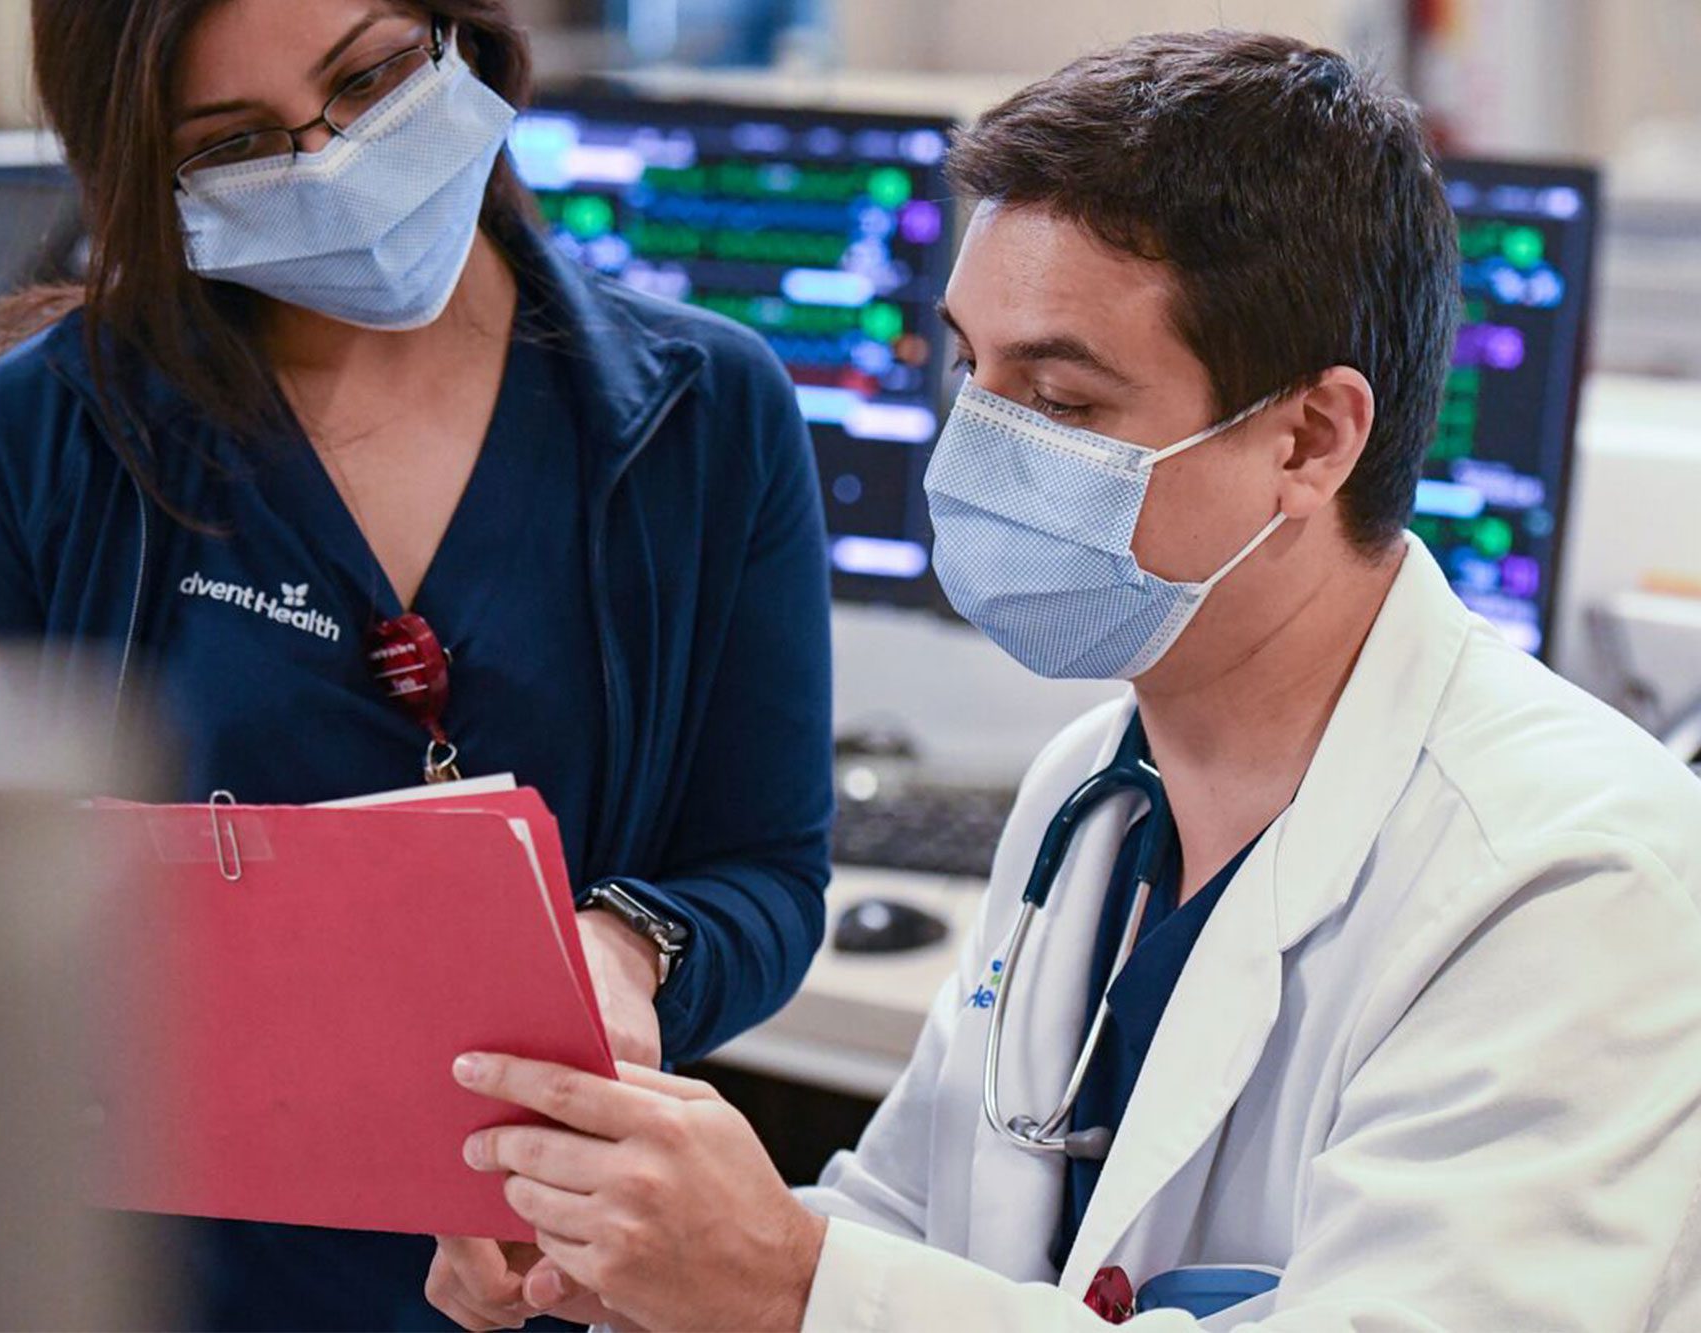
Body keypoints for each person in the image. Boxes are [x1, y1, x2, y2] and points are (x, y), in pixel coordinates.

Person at [433, 31, 1701, 1331]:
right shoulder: (1092, 792)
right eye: (971, 372)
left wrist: (789, 1282)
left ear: (1310, 440)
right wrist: (625, 1254)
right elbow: (914, 1224)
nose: (974, 451)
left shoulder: (1569, 875)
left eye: (1061, 401)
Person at [0, 1, 832, 1328]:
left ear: (463, 35)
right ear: (151, 177)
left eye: (370, 76)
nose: (333, 161)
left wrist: (629, 946)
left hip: (498, 1279)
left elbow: (766, 871)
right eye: (237, 142)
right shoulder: (37, 446)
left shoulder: (702, 416)